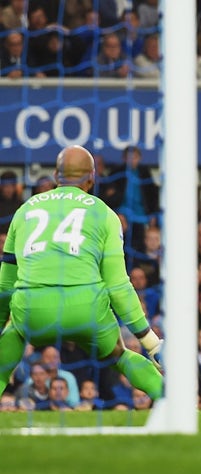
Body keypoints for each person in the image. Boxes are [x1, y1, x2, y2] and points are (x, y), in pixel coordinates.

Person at [0, 145, 164, 404]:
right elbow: (118, 286)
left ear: (56, 176)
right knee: (119, 355)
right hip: (85, 310)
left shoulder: (24, 210)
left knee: (13, 336)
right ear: (92, 177)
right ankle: (174, 402)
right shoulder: (105, 213)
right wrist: (151, 342)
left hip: (34, 310)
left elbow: (5, 285)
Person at [101, 145, 159, 253]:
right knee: (121, 243)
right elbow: (108, 195)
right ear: (124, 158)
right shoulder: (116, 172)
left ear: (140, 158)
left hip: (141, 215)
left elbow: (152, 194)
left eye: (135, 157)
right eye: (129, 157)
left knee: (140, 243)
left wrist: (152, 213)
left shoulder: (144, 172)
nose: (132, 160)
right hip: (122, 215)